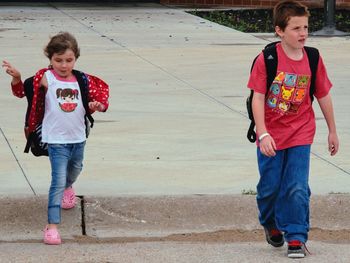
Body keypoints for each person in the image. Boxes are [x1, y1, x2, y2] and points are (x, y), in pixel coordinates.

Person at [247, 0, 339, 258]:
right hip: (271, 136)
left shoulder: (313, 57)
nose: (303, 34)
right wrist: (263, 132)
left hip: (301, 133)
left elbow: (323, 95)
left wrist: (332, 130)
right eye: (296, 28)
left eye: (306, 28)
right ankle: (271, 223)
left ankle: (296, 236)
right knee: (270, 188)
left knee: (297, 186)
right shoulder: (267, 59)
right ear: (279, 31)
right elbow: (257, 97)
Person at [2, 32, 109, 245]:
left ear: (76, 58)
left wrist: (98, 106)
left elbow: (99, 99)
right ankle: (52, 226)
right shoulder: (45, 77)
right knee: (57, 181)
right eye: (58, 60)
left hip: (78, 137)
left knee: (76, 169)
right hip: (55, 140)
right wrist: (16, 77)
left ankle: (69, 187)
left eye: (68, 60)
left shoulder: (82, 79)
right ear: (50, 59)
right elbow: (21, 92)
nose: (63, 65)